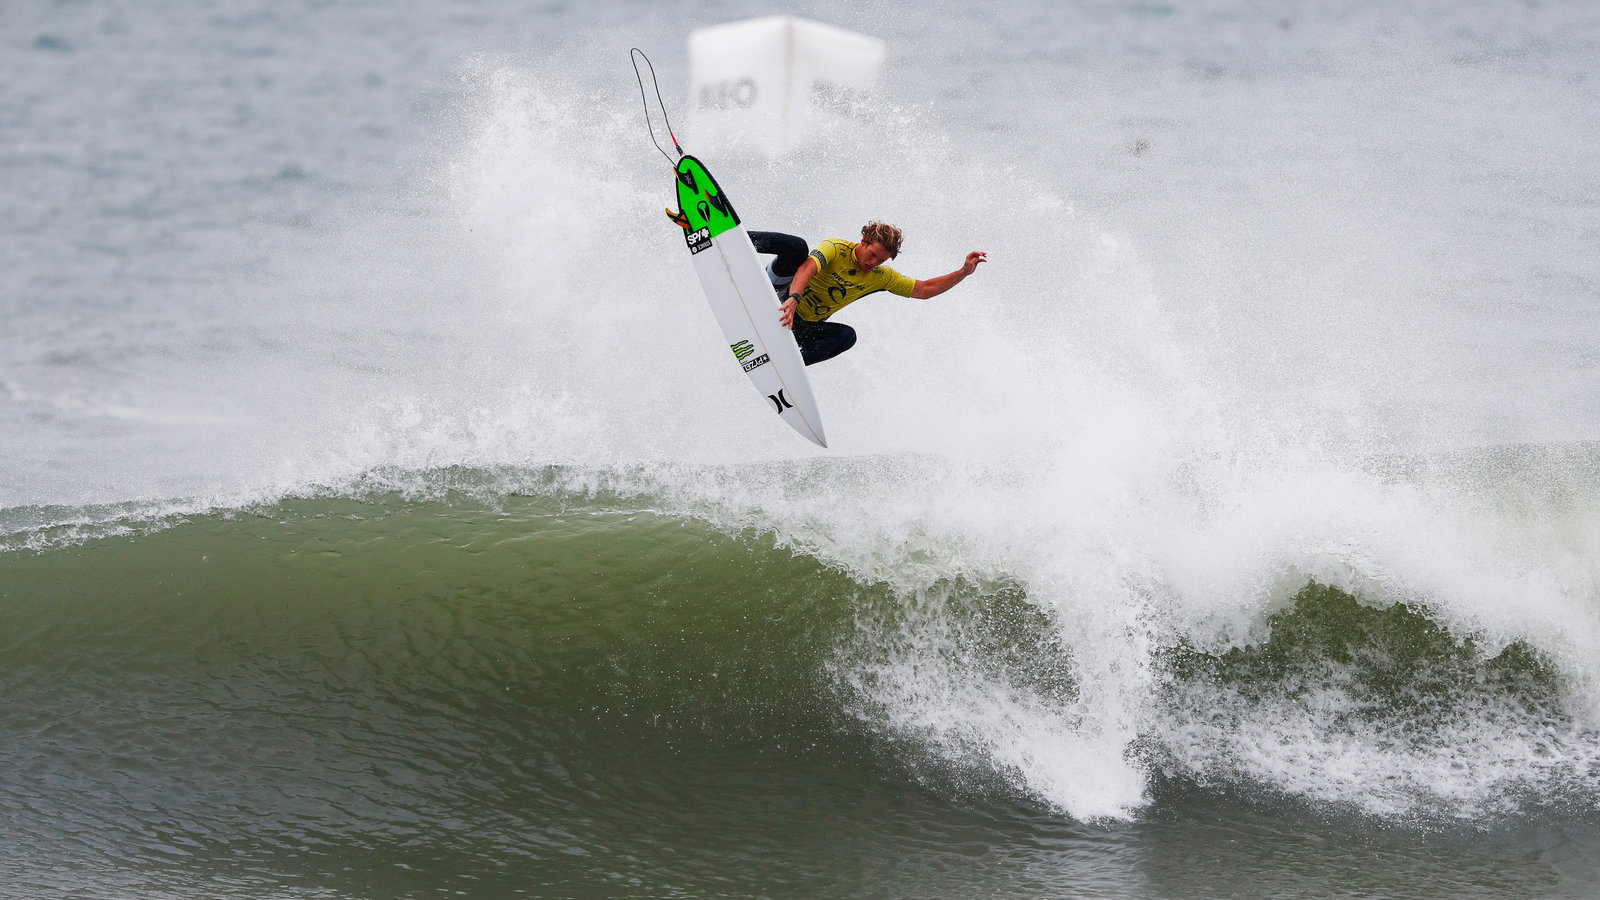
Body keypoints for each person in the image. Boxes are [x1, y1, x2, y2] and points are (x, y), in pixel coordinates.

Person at [748, 223, 987, 366]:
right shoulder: (836, 248)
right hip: (775, 294)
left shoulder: (880, 277)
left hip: (794, 326)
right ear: (864, 241)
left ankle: (788, 367)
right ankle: (724, 235)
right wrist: (793, 298)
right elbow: (807, 267)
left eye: (881, 260)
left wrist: (964, 272)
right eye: (872, 255)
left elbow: (923, 290)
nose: (873, 263)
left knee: (846, 336)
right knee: (797, 247)